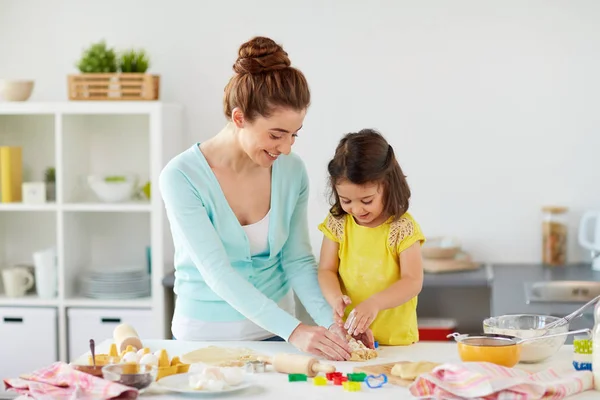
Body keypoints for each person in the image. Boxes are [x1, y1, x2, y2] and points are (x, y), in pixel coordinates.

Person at [159, 36, 352, 361]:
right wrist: (295, 330)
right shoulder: (181, 177)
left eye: (294, 134)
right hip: (203, 340)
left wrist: (332, 325)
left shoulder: (291, 171)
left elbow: (297, 260)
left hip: (276, 336)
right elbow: (217, 272)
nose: (287, 147)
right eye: (276, 135)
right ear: (239, 119)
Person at [317, 129, 426, 346]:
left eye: (366, 201)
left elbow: (412, 281)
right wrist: (335, 298)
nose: (356, 209)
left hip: (395, 341)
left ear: (388, 186)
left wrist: (375, 303)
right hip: (351, 340)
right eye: (346, 200)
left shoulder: (402, 227)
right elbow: (326, 269)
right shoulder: (338, 222)